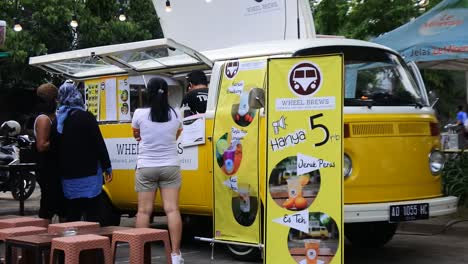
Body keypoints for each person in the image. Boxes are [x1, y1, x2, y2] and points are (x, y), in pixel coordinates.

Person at [132, 77, 184, 264]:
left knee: (144, 212)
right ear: (167, 93)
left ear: (148, 93)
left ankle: (139, 255)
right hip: (170, 165)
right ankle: (176, 255)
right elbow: (177, 134)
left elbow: (136, 135)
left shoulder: (139, 113)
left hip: (146, 166)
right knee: (172, 209)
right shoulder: (177, 114)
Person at [55, 82, 112, 224]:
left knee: (73, 215)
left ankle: (71, 245)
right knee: (93, 214)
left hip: (68, 175)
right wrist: (107, 166)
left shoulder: (58, 120)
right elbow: (99, 143)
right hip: (90, 174)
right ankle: (93, 243)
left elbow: (55, 147)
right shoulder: (87, 117)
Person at [33, 83, 65, 221]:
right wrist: (63, 141)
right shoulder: (43, 119)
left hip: (55, 167)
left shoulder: (53, 116)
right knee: (49, 203)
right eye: (56, 98)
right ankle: (44, 237)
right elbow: (41, 145)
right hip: (47, 168)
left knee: (60, 204)